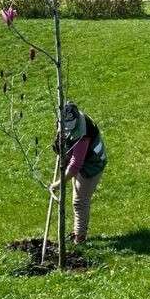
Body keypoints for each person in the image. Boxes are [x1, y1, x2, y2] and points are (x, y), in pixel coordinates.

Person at [49, 102, 107, 244]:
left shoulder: (83, 131)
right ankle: (77, 232)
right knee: (77, 198)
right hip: (82, 159)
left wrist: (57, 184)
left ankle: (80, 238)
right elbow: (62, 140)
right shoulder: (63, 118)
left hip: (92, 163)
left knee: (80, 201)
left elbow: (75, 165)